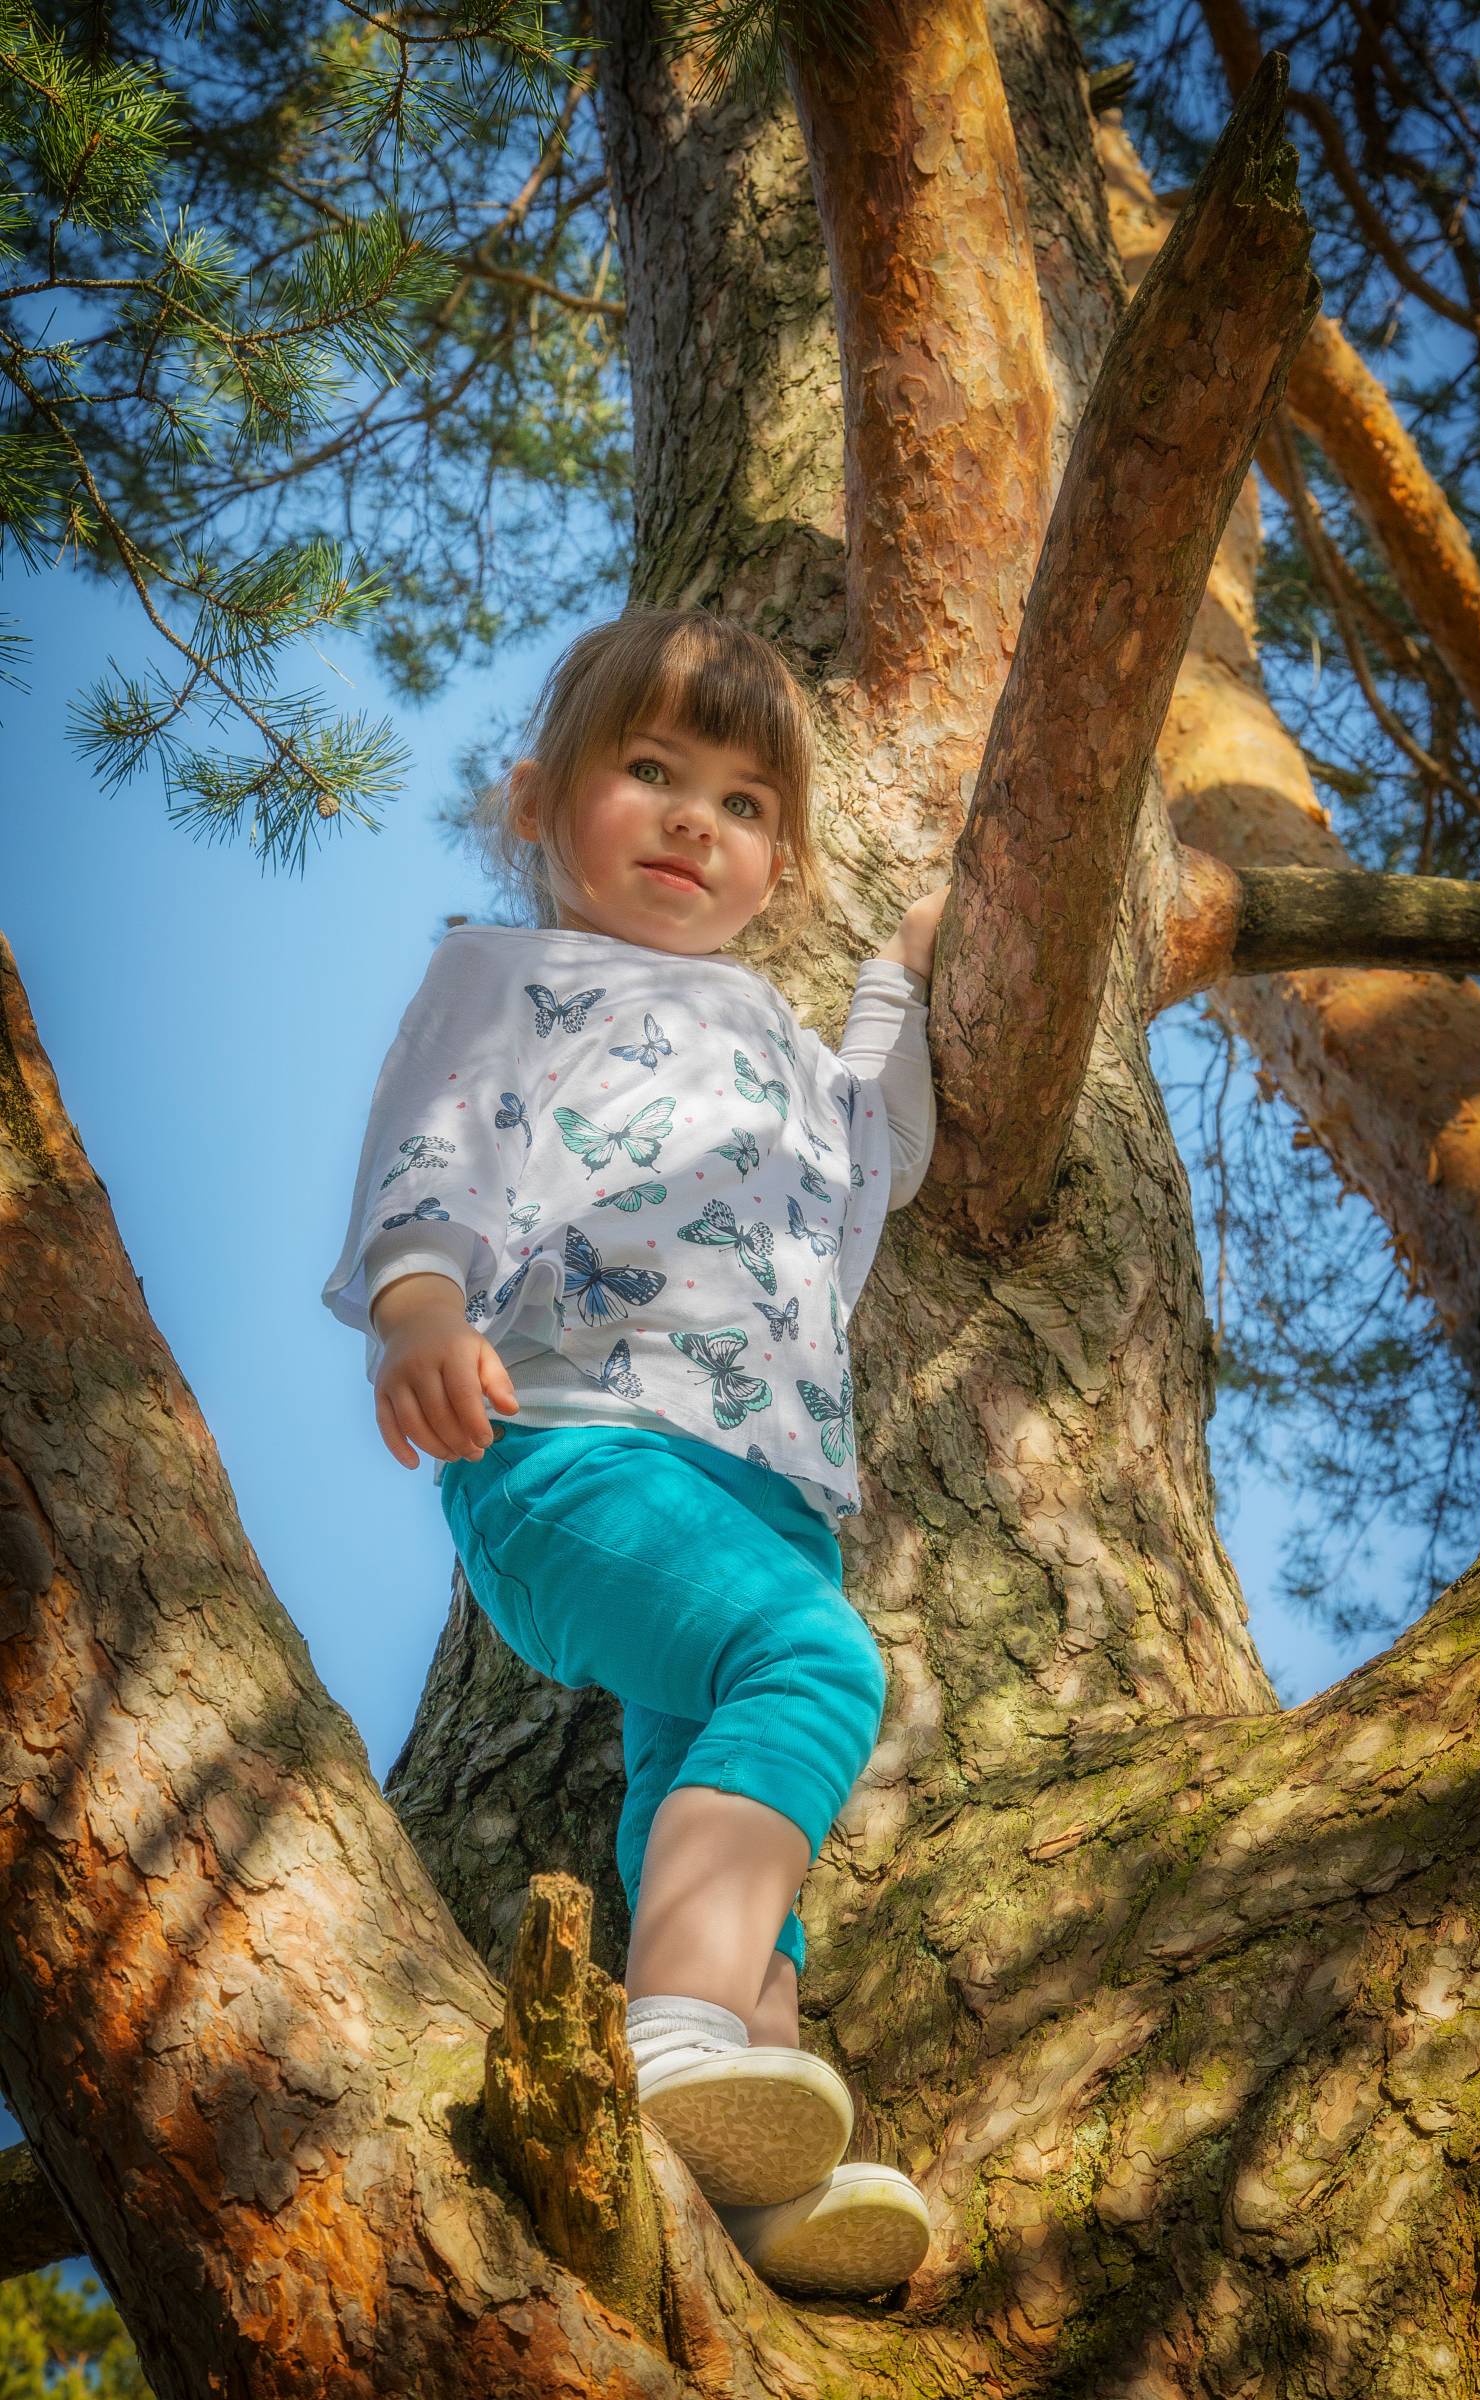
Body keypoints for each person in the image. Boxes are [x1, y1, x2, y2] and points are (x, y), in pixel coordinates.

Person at [322, 607, 945, 2298]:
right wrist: (416, 1306)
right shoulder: (515, 974)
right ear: (540, 801)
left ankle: (752, 2166)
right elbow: (433, 1145)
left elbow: (875, 1158)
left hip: (763, 1492)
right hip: (573, 1447)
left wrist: (905, 976)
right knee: (810, 1668)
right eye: (652, 771)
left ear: (779, 867)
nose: (693, 818)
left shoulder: (784, 1051)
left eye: (744, 804)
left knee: (712, 1792)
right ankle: (672, 2042)